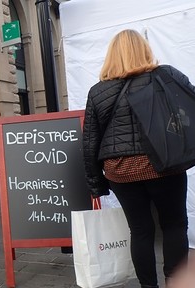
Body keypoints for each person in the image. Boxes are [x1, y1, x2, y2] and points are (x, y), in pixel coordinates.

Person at [83, 29, 194, 288]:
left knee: (141, 230)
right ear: (144, 50)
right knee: (174, 224)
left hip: (121, 171)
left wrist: (96, 184)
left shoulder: (98, 92)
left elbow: (89, 143)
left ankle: (148, 286)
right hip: (164, 165)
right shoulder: (165, 75)